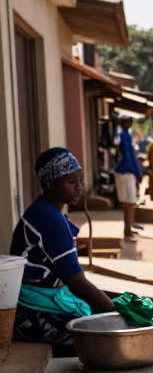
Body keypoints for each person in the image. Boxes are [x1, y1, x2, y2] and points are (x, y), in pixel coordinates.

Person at [10, 148, 113, 355]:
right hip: (30, 312)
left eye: (80, 181)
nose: (79, 187)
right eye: (71, 182)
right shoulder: (49, 219)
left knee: (103, 308)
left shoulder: (47, 211)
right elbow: (78, 284)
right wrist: (115, 312)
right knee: (97, 344)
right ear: (49, 183)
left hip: (40, 299)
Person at [113, 114, 142, 240]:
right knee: (130, 203)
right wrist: (138, 172)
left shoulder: (117, 136)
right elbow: (130, 156)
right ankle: (128, 229)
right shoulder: (126, 137)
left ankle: (127, 228)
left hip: (119, 171)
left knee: (125, 202)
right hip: (128, 172)